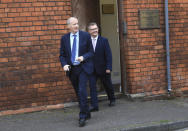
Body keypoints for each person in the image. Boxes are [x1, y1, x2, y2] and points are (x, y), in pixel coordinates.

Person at [59, 17, 97, 127]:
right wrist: (64, 64)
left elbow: (91, 52)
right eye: (74, 24)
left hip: (83, 68)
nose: (76, 26)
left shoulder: (85, 36)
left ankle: (82, 116)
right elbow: (62, 55)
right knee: (78, 92)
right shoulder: (64, 38)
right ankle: (87, 111)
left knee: (81, 91)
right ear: (68, 27)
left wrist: (83, 57)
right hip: (72, 70)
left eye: (77, 23)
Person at [87, 22, 115, 111]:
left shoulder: (104, 40)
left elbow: (108, 55)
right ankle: (94, 105)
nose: (95, 31)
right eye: (92, 29)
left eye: (96, 29)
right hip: (91, 69)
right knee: (92, 87)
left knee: (107, 85)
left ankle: (112, 99)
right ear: (89, 31)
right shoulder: (86, 42)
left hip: (103, 68)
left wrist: (108, 67)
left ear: (98, 29)